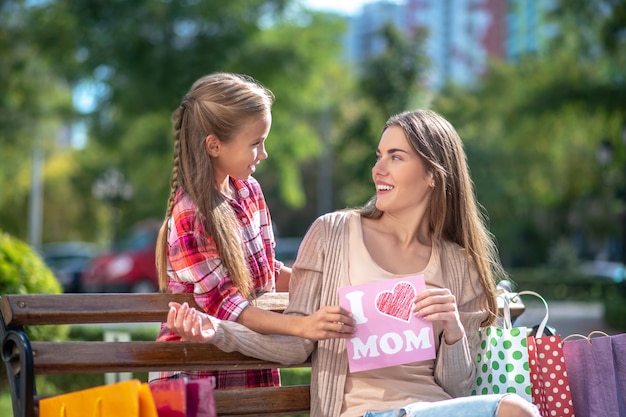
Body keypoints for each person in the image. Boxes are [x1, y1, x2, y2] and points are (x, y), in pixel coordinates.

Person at [165, 109, 539, 416]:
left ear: (432, 175)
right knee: (516, 412)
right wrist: (220, 331)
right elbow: (297, 344)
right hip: (362, 413)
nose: (379, 170)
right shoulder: (333, 233)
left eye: (396, 157)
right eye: (379, 156)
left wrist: (453, 329)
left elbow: (457, 387)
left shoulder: (461, 264)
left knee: (517, 411)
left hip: (434, 408)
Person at [152, 72, 352, 389]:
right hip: (195, 371)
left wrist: (334, 285)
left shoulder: (249, 191)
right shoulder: (189, 214)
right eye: (256, 144)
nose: (264, 154)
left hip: (247, 356)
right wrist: (303, 327)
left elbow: (265, 272)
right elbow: (230, 307)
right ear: (214, 146)